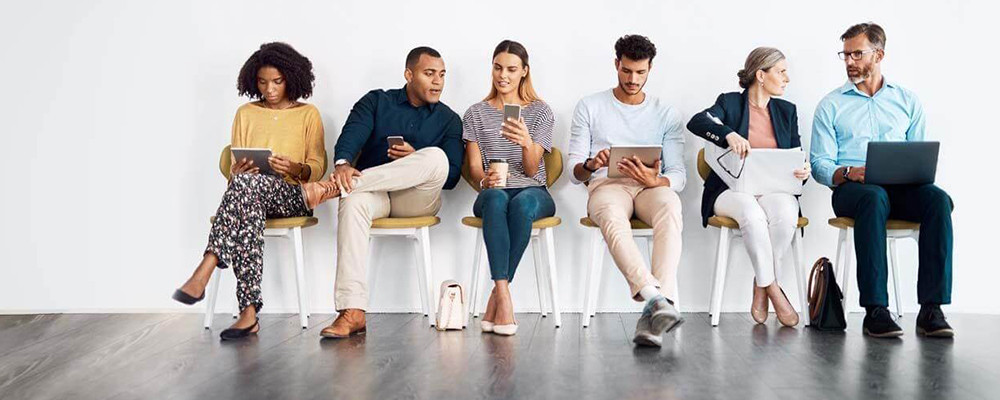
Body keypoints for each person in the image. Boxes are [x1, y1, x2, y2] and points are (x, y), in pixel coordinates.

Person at [301, 47, 464, 338]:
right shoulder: (377, 101)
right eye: (429, 74)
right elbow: (351, 137)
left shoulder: (449, 119)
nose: (438, 81)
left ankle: (331, 188)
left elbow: (450, 176)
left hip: (416, 198)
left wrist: (416, 157)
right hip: (373, 194)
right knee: (352, 202)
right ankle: (352, 311)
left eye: (442, 75)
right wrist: (342, 164)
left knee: (435, 157)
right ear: (409, 74)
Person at [172, 42, 327, 340]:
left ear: (292, 79)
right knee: (247, 192)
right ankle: (249, 313)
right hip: (249, 195)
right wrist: (237, 172)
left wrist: (294, 168)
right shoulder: (245, 113)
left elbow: (317, 167)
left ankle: (207, 266)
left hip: (293, 198)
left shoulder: (309, 114)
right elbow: (234, 170)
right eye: (262, 82)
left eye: (277, 82)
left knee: (247, 192)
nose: (269, 89)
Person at [811, 22, 954, 338]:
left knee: (938, 200)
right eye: (845, 55)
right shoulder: (831, 105)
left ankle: (932, 309)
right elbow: (820, 164)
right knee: (873, 197)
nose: (849, 62)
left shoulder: (906, 101)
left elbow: (917, 154)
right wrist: (848, 173)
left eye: (857, 54)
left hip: (900, 189)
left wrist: (915, 173)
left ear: (879, 55)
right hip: (853, 191)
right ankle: (875, 311)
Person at [568, 34, 686, 347]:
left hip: (649, 187)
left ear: (650, 70)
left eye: (640, 73)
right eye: (627, 71)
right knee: (610, 214)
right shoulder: (590, 106)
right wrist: (593, 164)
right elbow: (573, 172)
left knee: (671, 205)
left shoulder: (666, 113)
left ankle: (656, 308)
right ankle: (657, 300)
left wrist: (656, 181)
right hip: (607, 184)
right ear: (616, 64)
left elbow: (679, 175)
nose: (633, 79)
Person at [687, 47, 809, 327]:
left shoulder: (787, 111)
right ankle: (774, 289)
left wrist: (804, 171)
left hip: (775, 189)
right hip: (731, 190)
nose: (787, 78)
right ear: (761, 75)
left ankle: (761, 283)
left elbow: (795, 154)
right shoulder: (729, 103)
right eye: (781, 72)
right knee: (752, 215)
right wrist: (727, 133)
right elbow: (697, 121)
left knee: (786, 215)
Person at [463, 40, 556, 336]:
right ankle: (503, 295)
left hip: (533, 191)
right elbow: (476, 168)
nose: (503, 75)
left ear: (524, 72)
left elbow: (531, 170)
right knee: (494, 200)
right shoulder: (475, 113)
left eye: (511, 69)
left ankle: (498, 296)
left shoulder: (540, 112)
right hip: (494, 191)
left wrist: (527, 141)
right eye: (498, 67)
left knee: (522, 204)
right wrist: (484, 181)